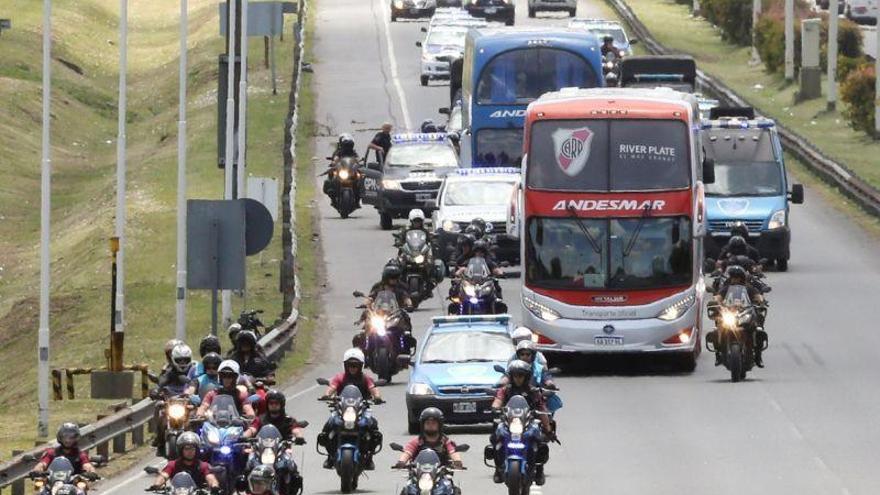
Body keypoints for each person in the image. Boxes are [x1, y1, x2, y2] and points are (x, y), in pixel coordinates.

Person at [489, 360, 554, 485]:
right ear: (511, 377)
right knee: (495, 437)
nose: (518, 378)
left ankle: (539, 469)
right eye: (515, 375)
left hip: (528, 422)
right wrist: (495, 407)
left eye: (521, 375)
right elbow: (498, 400)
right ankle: (498, 468)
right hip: (509, 422)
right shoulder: (505, 390)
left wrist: (548, 428)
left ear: (526, 377)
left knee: (540, 441)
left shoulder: (533, 391)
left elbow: (541, 408)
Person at [318, 349, 384, 470]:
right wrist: (326, 395)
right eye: (350, 365)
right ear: (345, 366)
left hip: (361, 410)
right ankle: (330, 456)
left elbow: (373, 389)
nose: (352, 368)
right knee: (328, 427)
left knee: (373, 427)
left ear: (361, 366)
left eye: (355, 365)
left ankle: (369, 457)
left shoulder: (366, 379)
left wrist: (377, 397)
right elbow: (332, 387)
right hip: (341, 409)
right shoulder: (340, 377)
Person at [713, 264, 767, 367]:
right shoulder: (725, 289)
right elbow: (718, 297)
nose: (735, 280)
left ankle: (758, 356)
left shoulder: (749, 288)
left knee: (759, 331)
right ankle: (718, 354)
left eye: (737, 277)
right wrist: (715, 302)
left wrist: (760, 300)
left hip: (745, 313)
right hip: (729, 313)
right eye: (733, 277)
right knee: (716, 331)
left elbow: (758, 296)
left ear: (742, 278)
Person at [393, 408, 463, 469]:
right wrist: (401, 462)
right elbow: (408, 452)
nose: (430, 425)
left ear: (439, 425)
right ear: (423, 425)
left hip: (441, 475)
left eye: (433, 423)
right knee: (409, 485)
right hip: (418, 474)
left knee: (447, 484)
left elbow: (453, 452)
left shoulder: (445, 441)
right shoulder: (417, 441)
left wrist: (457, 462)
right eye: (428, 423)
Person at [149, 432, 220, 492]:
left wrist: (214, 486)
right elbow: (164, 475)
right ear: (181, 450)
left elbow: (210, 477)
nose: (190, 451)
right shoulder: (173, 464)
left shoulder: (203, 466)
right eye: (187, 449)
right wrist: (156, 484)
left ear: (197, 450)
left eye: (192, 449)